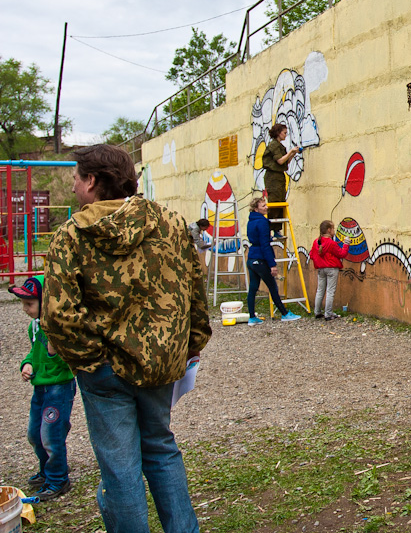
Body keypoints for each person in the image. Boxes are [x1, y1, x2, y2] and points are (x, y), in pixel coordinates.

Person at [42, 144, 212, 533]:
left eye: (74, 178)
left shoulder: (71, 235)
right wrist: (190, 344)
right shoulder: (170, 222)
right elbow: (193, 289)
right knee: (161, 449)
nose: (71, 187)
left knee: (120, 469)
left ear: (92, 181)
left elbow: (58, 314)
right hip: (161, 364)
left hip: (106, 374)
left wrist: (91, 361)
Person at [13, 274, 76, 502]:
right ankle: (47, 470)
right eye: (23, 304)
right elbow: (34, 351)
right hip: (40, 388)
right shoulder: (35, 326)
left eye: (29, 304)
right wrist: (27, 363)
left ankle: (58, 479)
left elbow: (69, 360)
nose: (25, 309)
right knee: (34, 433)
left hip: (59, 388)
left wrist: (55, 351)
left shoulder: (59, 327)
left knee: (51, 433)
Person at [246, 196, 301, 326]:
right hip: (260, 259)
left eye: (265, 205)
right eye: (263, 206)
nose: (266, 207)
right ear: (256, 208)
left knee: (253, 287)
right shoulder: (263, 222)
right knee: (272, 286)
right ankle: (284, 313)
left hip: (251, 257)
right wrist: (272, 265)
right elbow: (265, 245)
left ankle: (252, 317)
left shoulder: (250, 221)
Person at [261, 123, 302, 235]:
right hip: (273, 176)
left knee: (280, 200)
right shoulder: (273, 145)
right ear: (278, 133)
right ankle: (271, 228)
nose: (285, 135)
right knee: (274, 201)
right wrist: (290, 151)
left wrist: (293, 153)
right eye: (284, 133)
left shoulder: (280, 146)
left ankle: (277, 228)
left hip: (279, 176)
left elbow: (285, 162)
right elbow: (280, 160)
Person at [309, 220, 350, 320]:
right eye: (333, 228)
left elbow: (311, 255)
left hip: (321, 269)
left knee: (320, 290)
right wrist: (346, 244)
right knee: (330, 291)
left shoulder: (316, 242)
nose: (334, 230)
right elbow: (341, 254)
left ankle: (317, 312)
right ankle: (328, 313)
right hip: (331, 269)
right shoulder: (331, 243)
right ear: (329, 230)